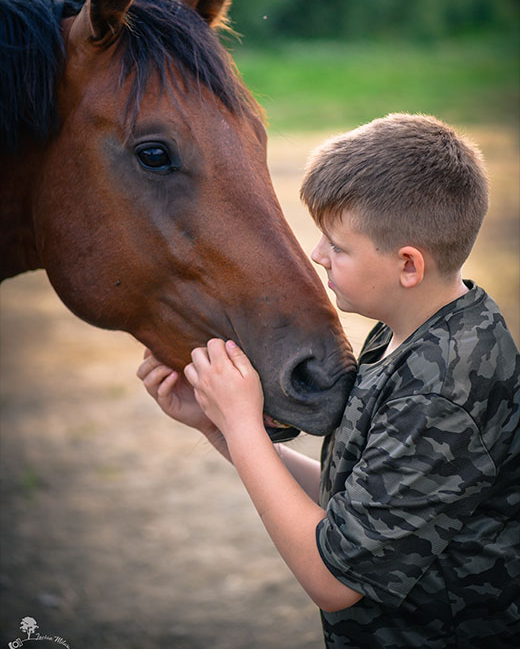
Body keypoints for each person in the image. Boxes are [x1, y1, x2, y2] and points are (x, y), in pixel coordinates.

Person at [137, 113, 520, 648]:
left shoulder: (445, 388)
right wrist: (217, 426)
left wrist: (247, 425)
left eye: (337, 247)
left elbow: (335, 580)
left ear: (408, 266)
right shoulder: (405, 334)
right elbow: (354, 506)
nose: (317, 255)